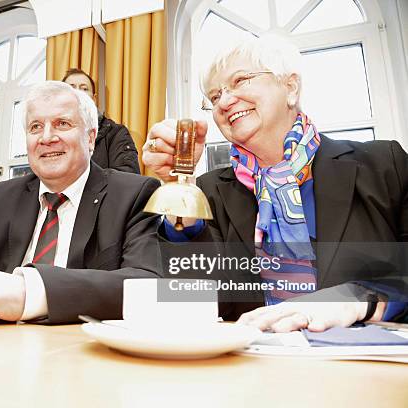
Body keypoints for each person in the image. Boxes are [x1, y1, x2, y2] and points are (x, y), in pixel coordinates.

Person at [143, 35, 408, 332]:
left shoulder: (385, 165)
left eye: (241, 80)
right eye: (215, 96)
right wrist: (180, 187)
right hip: (257, 365)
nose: (225, 102)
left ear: (290, 87)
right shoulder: (209, 191)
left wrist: (358, 300)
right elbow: (193, 296)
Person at [0, 81, 161, 324]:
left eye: (62, 124)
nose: (46, 137)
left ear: (90, 138)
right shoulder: (5, 196)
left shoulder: (132, 193)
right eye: (35, 127)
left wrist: (30, 291)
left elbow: (146, 284)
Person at [62, 68, 141, 174]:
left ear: (94, 99)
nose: (78, 93)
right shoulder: (49, 134)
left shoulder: (115, 133)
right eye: (72, 88)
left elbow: (128, 176)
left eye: (84, 89)